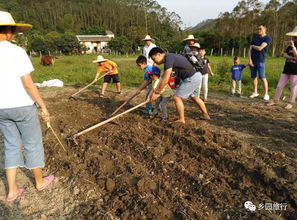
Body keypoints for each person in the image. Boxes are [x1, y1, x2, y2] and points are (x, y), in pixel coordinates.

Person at [0, 11, 54, 201]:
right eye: (13, 30)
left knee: (11, 145)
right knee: (32, 143)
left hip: (1, 109)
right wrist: (43, 106)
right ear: (9, 31)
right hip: (22, 105)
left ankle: (12, 191)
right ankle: (39, 182)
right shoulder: (16, 51)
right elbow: (28, 84)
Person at [149, 47, 210, 123]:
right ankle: (205, 115)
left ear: (158, 54)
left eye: (154, 59)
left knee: (177, 97)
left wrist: (157, 92)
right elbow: (163, 78)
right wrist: (155, 90)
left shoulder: (168, 58)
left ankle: (181, 119)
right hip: (197, 75)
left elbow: (165, 79)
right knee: (195, 97)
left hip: (191, 78)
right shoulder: (170, 57)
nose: (154, 62)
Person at [267, 26, 297, 109]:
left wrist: (294, 47)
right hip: (286, 69)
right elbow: (284, 54)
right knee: (279, 85)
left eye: (295, 36)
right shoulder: (289, 46)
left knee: (293, 87)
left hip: (295, 71)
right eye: (293, 36)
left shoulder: (293, 46)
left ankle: (290, 103)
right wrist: (291, 57)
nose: (293, 38)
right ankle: (275, 100)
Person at [248, 25, 272, 100]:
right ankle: (255, 92)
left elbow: (260, 48)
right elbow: (249, 50)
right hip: (252, 61)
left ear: (265, 29)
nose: (259, 30)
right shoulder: (255, 38)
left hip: (260, 60)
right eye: (258, 29)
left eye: (260, 29)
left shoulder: (267, 38)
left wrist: (253, 46)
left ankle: (266, 94)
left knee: (262, 77)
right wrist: (250, 60)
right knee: (253, 77)